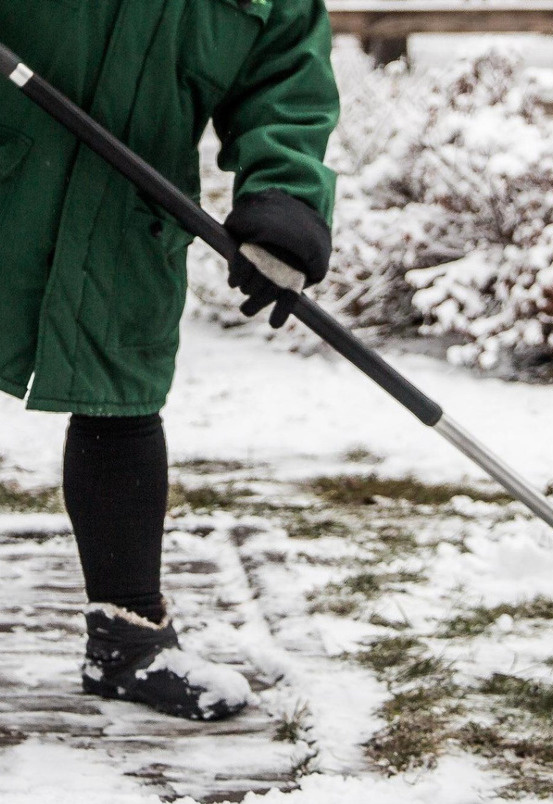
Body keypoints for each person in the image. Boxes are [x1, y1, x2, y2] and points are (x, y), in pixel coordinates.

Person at [0, 0, 340, 720]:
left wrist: (284, 200)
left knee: (120, 400)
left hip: (129, 210)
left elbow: (286, 82)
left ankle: (129, 645)